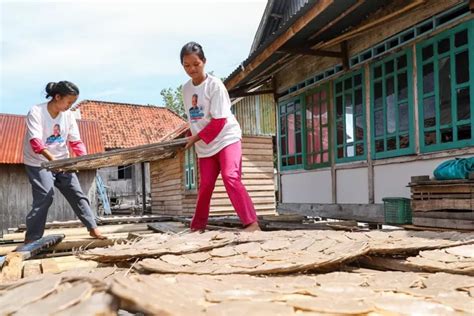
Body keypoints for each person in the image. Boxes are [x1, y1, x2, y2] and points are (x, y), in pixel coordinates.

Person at [180, 42, 260, 232]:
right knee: (206, 184)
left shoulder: (215, 85)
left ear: (204, 62)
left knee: (230, 176)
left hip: (226, 138)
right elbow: (193, 119)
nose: (192, 69)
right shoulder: (185, 89)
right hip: (205, 145)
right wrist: (190, 136)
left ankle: (252, 224)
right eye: (187, 65)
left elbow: (219, 122)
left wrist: (195, 138)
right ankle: (197, 227)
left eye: (196, 64)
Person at [23, 81, 105, 243]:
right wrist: (54, 163)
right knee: (46, 196)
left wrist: (84, 160)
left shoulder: (68, 115)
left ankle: (93, 228)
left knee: (77, 194)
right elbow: (36, 143)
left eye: (73, 103)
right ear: (57, 97)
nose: (70, 105)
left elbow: (76, 142)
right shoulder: (36, 112)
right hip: (38, 162)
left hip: (62, 161)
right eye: (68, 102)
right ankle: (32, 239)